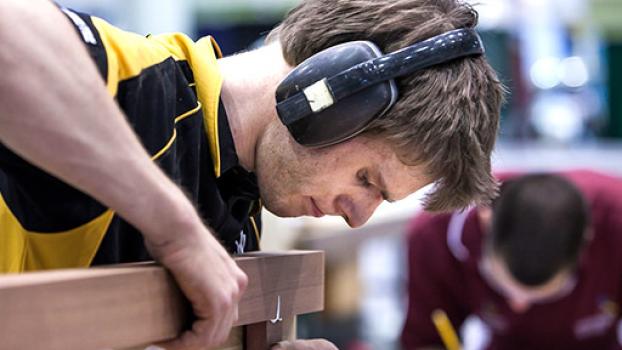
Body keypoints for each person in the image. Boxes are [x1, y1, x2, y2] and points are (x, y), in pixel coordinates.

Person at [0, 0, 503, 349]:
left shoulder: (237, 209)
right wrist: (175, 230)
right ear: (329, 95)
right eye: (368, 179)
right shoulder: (140, 82)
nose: (357, 217)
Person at [401, 170, 622, 350]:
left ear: (587, 243)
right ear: (486, 222)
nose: (519, 306)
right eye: (502, 287)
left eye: (547, 294)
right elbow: (426, 339)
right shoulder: (435, 235)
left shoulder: (615, 222)